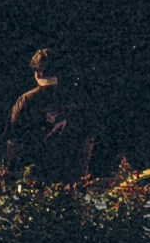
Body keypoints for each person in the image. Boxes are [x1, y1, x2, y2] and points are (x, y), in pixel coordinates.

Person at [5, 48, 97, 184]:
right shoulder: (77, 99)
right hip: (69, 175)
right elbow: (88, 139)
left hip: (35, 175)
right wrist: (82, 171)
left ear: (37, 72)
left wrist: (11, 170)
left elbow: (14, 140)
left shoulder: (25, 101)